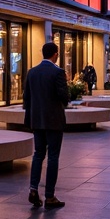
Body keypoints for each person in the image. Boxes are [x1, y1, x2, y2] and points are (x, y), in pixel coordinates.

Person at [22, 42, 69, 210]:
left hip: (37, 120)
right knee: (53, 157)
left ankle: (33, 189)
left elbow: (26, 98)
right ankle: (50, 196)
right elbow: (64, 96)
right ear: (55, 54)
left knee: (38, 154)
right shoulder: (58, 72)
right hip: (54, 121)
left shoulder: (32, 72)